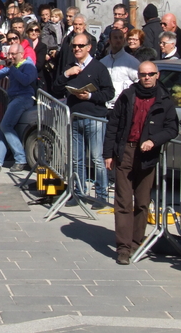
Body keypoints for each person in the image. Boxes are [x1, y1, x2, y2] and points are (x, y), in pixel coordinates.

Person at [104, 61, 179, 265]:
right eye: (142, 74)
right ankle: (123, 248)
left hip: (147, 156)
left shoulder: (164, 100)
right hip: (125, 151)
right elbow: (114, 125)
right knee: (123, 201)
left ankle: (137, 242)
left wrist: (154, 141)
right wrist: (108, 153)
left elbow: (173, 129)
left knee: (143, 202)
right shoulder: (128, 96)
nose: (146, 77)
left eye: (150, 74)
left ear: (157, 75)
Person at [53, 33, 115, 207]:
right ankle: (79, 192)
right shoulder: (70, 66)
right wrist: (66, 74)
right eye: (74, 46)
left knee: (96, 158)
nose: (77, 49)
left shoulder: (98, 68)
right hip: (75, 117)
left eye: (80, 46)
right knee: (77, 159)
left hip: (94, 117)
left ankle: (101, 196)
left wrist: (90, 96)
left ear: (89, 47)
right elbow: (56, 88)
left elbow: (109, 93)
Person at [0, 43, 36, 173]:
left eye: (13, 54)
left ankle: (21, 158)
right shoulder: (12, 66)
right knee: (2, 130)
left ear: (21, 55)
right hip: (13, 99)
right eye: (9, 54)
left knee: (6, 126)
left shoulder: (28, 65)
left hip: (24, 98)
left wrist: (12, 68)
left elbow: (26, 80)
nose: (10, 57)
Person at [99, 29, 140, 110]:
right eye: (115, 38)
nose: (118, 40)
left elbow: (138, 82)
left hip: (123, 106)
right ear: (109, 41)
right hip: (105, 106)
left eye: (121, 38)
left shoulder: (132, 62)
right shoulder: (102, 62)